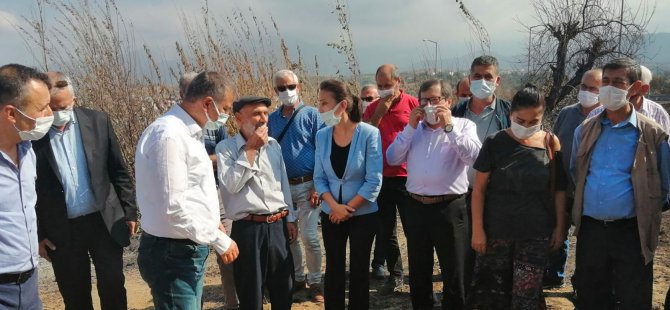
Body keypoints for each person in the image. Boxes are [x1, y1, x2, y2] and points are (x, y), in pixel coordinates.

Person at [571, 58, 670, 309]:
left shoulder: (653, 134)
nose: (609, 88)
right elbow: (576, 172)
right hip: (591, 230)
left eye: (618, 82)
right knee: (591, 298)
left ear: (635, 87)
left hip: (632, 233)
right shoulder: (585, 130)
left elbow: (663, 186)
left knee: (633, 299)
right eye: (606, 81)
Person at [135, 71, 239, 309]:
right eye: (225, 108)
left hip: (184, 248)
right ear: (207, 103)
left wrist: (213, 221)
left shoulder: (188, 132)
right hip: (173, 253)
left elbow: (194, 188)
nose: (226, 115)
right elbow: (173, 208)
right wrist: (218, 239)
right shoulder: (169, 136)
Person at [32, 72, 137, 310]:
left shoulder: (98, 121)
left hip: (104, 221)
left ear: (74, 99)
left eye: (65, 106)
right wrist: (38, 234)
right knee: (74, 293)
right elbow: (29, 192)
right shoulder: (32, 137)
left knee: (113, 285)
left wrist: (129, 212)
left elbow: (118, 170)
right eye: (53, 107)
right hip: (61, 229)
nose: (59, 113)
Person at [468, 84, 568, 309]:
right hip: (496, 232)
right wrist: (477, 230)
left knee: (527, 295)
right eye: (520, 121)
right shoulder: (495, 142)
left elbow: (560, 190)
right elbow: (479, 190)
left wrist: (560, 227)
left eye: (533, 122)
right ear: (510, 114)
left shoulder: (551, 144)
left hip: (535, 234)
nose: (526, 126)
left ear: (542, 117)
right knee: (491, 294)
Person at [386, 79, 481, 309]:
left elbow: (474, 157)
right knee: (419, 269)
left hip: (449, 207)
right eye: (424, 100)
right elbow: (392, 158)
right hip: (416, 207)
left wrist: (449, 128)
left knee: (454, 270)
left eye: (435, 100)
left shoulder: (464, 126)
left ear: (448, 101)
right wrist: (409, 127)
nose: (429, 105)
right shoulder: (413, 131)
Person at [216, 95, 298, 310]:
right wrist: (250, 149)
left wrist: (290, 218)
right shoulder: (226, 149)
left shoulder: (273, 145)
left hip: (278, 226)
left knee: (283, 287)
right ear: (238, 118)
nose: (262, 119)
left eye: (265, 113)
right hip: (248, 229)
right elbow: (232, 185)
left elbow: (282, 185)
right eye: (256, 114)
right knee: (251, 292)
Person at [314, 79, 383, 309]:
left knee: (359, 268)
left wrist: (347, 209)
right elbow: (319, 178)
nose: (320, 109)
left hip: (362, 213)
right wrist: (334, 207)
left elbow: (373, 180)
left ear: (342, 105)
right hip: (331, 212)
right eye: (319, 103)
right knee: (333, 267)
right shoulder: (322, 136)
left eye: (324, 103)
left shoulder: (369, 134)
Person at [450, 55, 512, 301]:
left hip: (497, 196)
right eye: (477, 76)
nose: (482, 81)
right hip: (460, 195)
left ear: (498, 81)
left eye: (488, 76)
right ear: (469, 78)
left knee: (496, 257)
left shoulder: (509, 112)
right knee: (463, 258)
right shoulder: (456, 112)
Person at [178, 71, 239, 309]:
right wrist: (208, 159)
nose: (223, 113)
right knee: (195, 257)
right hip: (193, 202)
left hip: (219, 193)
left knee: (228, 255)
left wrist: (206, 159)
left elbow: (225, 152)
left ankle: (233, 303)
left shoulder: (214, 125)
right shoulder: (174, 131)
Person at [268, 69, 324, 302]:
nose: (287, 91)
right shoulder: (271, 119)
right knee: (289, 236)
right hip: (283, 188)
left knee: (309, 235)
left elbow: (322, 151)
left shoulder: (312, 115)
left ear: (299, 87)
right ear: (275, 91)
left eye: (290, 86)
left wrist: (318, 186)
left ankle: (316, 281)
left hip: (308, 183)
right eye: (281, 88)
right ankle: (298, 277)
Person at [0, 63, 53, 310]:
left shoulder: (27, 149)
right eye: (42, 108)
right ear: (11, 114)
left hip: (29, 283)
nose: (49, 114)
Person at [363, 64, 419, 292]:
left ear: (399, 83)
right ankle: (395, 275)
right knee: (386, 231)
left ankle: (418, 279)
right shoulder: (373, 108)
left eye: (388, 85)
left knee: (413, 231)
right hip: (381, 177)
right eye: (380, 86)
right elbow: (364, 136)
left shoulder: (413, 104)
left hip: (408, 177)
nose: (384, 89)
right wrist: (379, 112)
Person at [545, 68, 602, 288]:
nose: (587, 92)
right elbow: (554, 147)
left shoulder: (605, 118)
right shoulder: (567, 113)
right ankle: (555, 275)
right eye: (584, 87)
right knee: (558, 231)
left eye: (593, 88)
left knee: (588, 240)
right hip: (563, 187)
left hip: (589, 191)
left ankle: (582, 282)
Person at [587, 65, 670, 133]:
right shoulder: (595, 115)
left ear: (643, 89)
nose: (611, 88)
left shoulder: (657, 114)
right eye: (606, 81)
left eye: (618, 82)